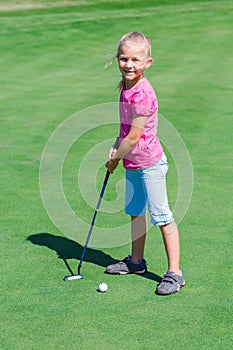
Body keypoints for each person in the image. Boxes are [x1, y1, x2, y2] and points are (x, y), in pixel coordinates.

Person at [105, 32, 185, 295]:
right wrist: (115, 149)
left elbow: (135, 136)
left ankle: (175, 273)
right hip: (133, 163)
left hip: (150, 163)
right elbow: (124, 129)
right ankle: (136, 262)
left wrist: (117, 155)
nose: (129, 64)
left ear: (147, 62)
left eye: (135, 60)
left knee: (161, 216)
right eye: (124, 58)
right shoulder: (125, 87)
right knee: (135, 212)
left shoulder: (142, 94)